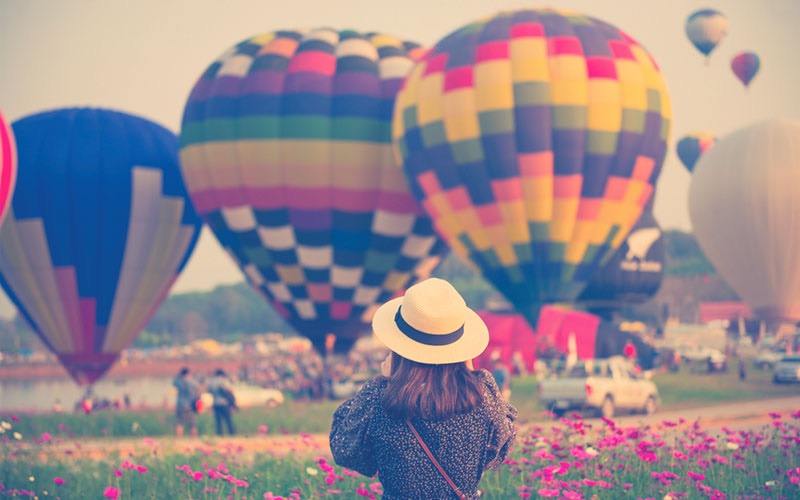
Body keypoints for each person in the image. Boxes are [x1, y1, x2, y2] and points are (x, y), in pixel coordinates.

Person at [330, 278, 517, 499]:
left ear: (399, 346)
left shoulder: (380, 397)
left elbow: (345, 449)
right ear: (461, 348)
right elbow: (501, 444)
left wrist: (383, 381)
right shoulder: (483, 392)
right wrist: (472, 373)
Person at [207, 368, 237, 436]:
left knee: (218, 421)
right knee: (228, 420)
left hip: (216, 403)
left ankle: (220, 435)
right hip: (224, 403)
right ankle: (232, 434)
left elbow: (209, 391)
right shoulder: (224, 381)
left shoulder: (212, 382)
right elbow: (229, 391)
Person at [173, 366, 199, 438]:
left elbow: (174, 382)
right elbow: (198, 388)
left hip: (180, 405)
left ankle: (179, 438)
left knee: (179, 422)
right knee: (192, 424)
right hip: (190, 405)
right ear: (188, 373)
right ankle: (194, 438)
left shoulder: (178, 382)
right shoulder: (192, 382)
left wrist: (178, 376)